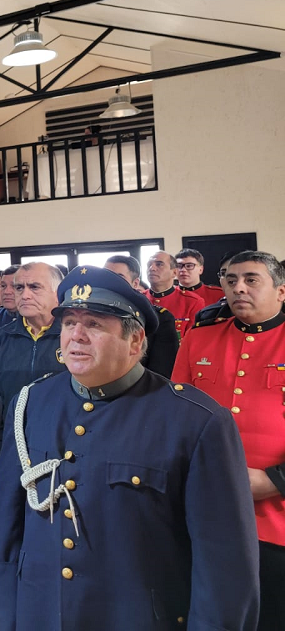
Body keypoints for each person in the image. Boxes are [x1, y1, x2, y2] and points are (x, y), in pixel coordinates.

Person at [0, 265, 259, 630]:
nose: (76, 336)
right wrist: (9, 618)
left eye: (95, 325)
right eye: (69, 323)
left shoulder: (195, 421)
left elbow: (225, 569)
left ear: (135, 342)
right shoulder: (30, 404)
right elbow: (7, 538)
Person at [172, 251, 285, 629]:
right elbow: (175, 417)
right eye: (230, 279)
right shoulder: (197, 340)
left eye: (251, 279)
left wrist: (273, 480)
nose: (238, 288)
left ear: (280, 291)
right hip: (204, 512)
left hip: (275, 522)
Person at [0, 262, 64, 410]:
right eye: (19, 288)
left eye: (35, 287)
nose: (25, 296)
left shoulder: (74, 337)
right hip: (12, 430)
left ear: (57, 293)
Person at [104, 255, 180, 378]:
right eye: (106, 276)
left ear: (135, 283)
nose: (110, 282)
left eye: (119, 277)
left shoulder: (159, 319)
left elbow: (160, 374)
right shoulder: (88, 316)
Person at [146, 251, 204, 339]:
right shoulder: (138, 299)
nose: (152, 268)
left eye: (159, 264)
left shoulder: (192, 301)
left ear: (174, 272)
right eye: (149, 264)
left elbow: (193, 340)